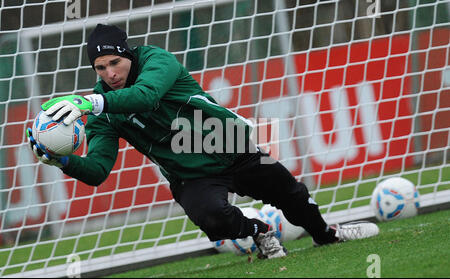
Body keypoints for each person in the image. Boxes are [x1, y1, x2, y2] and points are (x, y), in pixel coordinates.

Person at [26, 24, 379, 259]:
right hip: (189, 172)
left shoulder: (156, 60)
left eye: (114, 63)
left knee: (292, 195)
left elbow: (147, 96)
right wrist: (61, 160)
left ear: (128, 55)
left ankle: (326, 234)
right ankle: (259, 230)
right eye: (100, 69)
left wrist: (89, 102)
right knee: (212, 218)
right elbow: (98, 170)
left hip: (227, 144)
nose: (109, 74)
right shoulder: (104, 110)